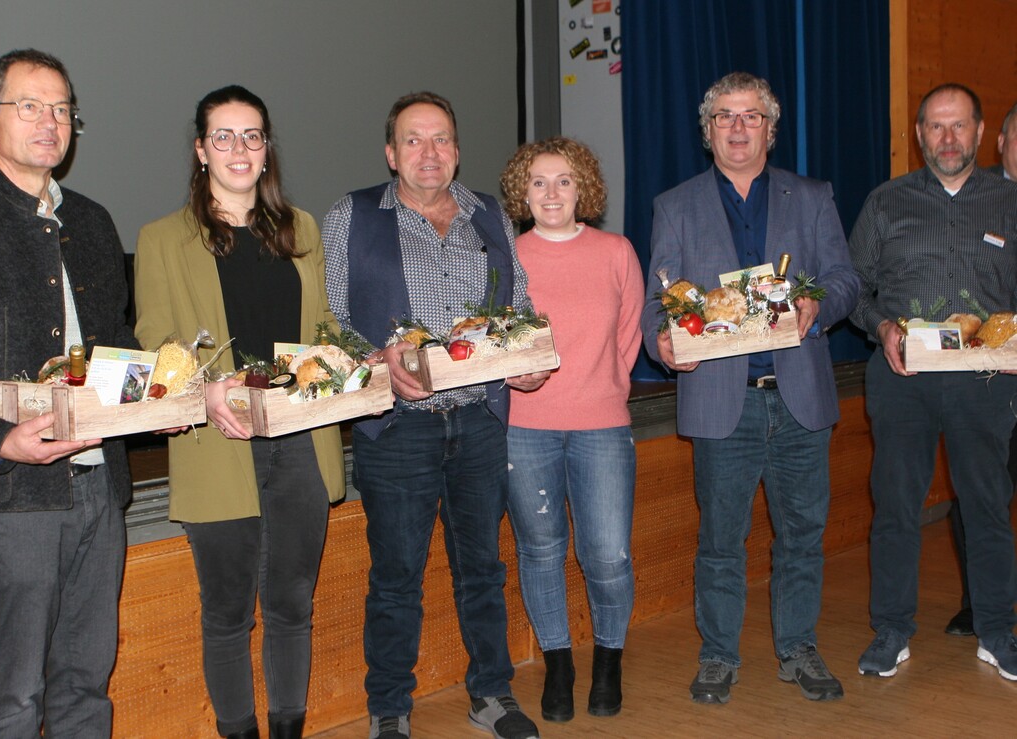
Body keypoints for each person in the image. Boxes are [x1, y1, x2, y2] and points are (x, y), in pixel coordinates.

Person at [322, 91, 547, 739]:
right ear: (391, 152)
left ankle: (492, 694)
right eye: (414, 140)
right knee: (396, 574)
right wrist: (376, 361)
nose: (430, 152)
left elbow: (518, 308)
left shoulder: (489, 215)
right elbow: (331, 320)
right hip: (396, 427)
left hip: (478, 420)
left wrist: (526, 358)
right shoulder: (354, 215)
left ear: (457, 148)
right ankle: (389, 707)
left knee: (483, 566)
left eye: (442, 138)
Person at [640, 72, 859, 705]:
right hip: (719, 398)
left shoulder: (812, 196)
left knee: (801, 534)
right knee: (720, 540)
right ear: (707, 132)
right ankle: (718, 655)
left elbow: (844, 279)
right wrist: (663, 340)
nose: (738, 128)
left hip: (799, 394)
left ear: (771, 127)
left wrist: (819, 307)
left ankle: (798, 647)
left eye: (751, 116)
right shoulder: (675, 205)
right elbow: (663, 299)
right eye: (725, 117)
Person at [135, 85, 346, 739]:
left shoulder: (301, 228)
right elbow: (159, 340)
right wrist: (207, 390)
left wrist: (345, 359)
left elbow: (326, 325)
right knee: (228, 613)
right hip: (218, 442)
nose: (238, 148)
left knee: (291, 606)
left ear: (266, 148)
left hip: (300, 439)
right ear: (201, 150)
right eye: (223, 136)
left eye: (251, 135)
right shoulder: (163, 237)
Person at [0, 49, 134, 736]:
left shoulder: (94, 221)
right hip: (7, 495)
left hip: (96, 487)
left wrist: (159, 394)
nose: (50, 122)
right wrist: (0, 440)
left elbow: (116, 346)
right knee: (17, 690)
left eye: (62, 109)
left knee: (86, 680)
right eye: (30, 105)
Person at [850, 83, 1017, 681]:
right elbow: (854, 289)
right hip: (903, 377)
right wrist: (883, 327)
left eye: (959, 126)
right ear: (919, 135)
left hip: (987, 379)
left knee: (988, 505)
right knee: (894, 506)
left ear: (979, 132)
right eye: (936, 127)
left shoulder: (1010, 201)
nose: (948, 138)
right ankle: (891, 630)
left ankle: (998, 630)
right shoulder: (886, 203)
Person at [498, 137, 642, 722]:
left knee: (607, 555)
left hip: (601, 425)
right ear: (521, 192)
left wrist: (599, 385)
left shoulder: (616, 251)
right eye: (538, 182)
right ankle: (559, 665)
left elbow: (628, 337)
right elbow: (494, 338)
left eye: (564, 181)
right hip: (524, 427)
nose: (551, 192)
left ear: (585, 189)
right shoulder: (504, 257)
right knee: (540, 551)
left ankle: (608, 661)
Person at [944, 99, 1017, 638]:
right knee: (980, 494)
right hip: (989, 378)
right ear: (1000, 143)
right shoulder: (971, 202)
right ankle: (980, 602)